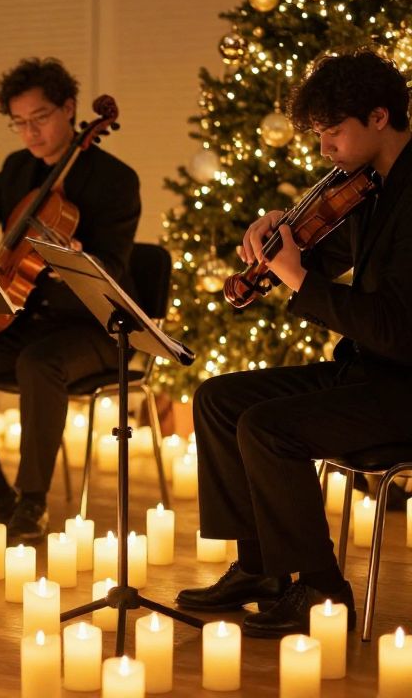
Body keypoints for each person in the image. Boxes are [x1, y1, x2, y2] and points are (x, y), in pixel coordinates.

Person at [176, 48, 412, 637]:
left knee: (268, 428)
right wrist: (280, 234)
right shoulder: (370, 185)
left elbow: (397, 328)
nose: (324, 149)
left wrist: (297, 278)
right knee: (218, 400)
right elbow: (322, 259)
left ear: (379, 117)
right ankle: (262, 570)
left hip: (405, 383)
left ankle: (324, 592)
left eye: (333, 133)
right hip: (368, 372)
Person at [0, 57, 141, 543]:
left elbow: (115, 268)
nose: (30, 133)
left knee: (38, 364)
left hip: (93, 327)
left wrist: (74, 260)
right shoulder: (16, 170)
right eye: (19, 122)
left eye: (39, 118)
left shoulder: (115, 180)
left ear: (69, 109)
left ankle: (32, 501)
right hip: (20, 320)